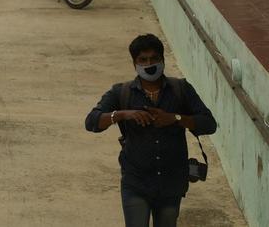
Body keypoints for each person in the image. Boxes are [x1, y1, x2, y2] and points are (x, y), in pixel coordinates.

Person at [85, 34, 218, 227]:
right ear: (135, 64)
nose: (149, 64)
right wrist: (122, 114)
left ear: (163, 60)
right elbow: (92, 121)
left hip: (171, 184)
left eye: (154, 58)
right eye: (143, 59)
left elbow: (209, 123)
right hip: (136, 182)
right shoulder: (121, 92)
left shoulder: (181, 89)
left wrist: (175, 118)